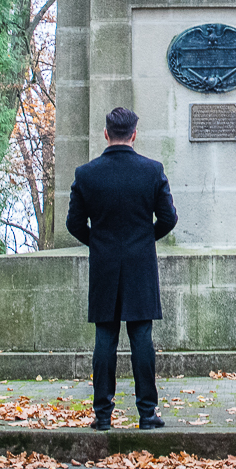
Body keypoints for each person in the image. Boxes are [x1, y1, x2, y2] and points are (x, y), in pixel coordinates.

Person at [65, 106, 179, 430]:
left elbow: (74, 223)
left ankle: (102, 415)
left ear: (106, 134)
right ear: (133, 134)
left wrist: (98, 242)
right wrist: (144, 239)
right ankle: (147, 414)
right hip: (140, 264)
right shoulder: (152, 171)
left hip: (104, 265)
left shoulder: (86, 174)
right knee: (142, 338)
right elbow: (169, 219)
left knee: (105, 337)